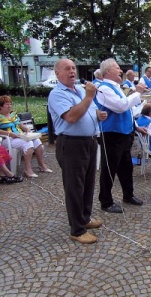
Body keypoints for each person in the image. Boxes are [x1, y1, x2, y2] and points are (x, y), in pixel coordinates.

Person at [48, 58, 107, 244]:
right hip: (72, 144)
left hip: (89, 141)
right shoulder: (57, 94)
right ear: (58, 74)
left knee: (88, 183)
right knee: (75, 187)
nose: (72, 71)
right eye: (67, 69)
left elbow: (90, 110)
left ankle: (85, 218)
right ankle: (77, 229)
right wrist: (89, 97)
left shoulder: (80, 90)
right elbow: (72, 116)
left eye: (73, 68)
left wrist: (97, 115)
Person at [95, 58, 148, 213]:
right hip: (112, 133)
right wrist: (137, 93)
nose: (120, 70)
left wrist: (135, 127)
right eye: (117, 68)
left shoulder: (117, 87)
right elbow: (120, 106)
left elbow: (128, 111)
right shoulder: (104, 88)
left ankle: (128, 194)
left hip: (125, 133)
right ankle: (106, 201)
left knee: (126, 167)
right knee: (109, 168)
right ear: (108, 72)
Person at [0, 95, 52, 178]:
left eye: (10, 104)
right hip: (7, 139)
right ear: (1, 106)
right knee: (28, 144)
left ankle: (42, 165)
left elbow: (20, 125)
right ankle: (28, 170)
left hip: (19, 136)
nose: (9, 106)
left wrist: (26, 129)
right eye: (7, 104)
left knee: (37, 141)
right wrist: (10, 134)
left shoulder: (13, 115)